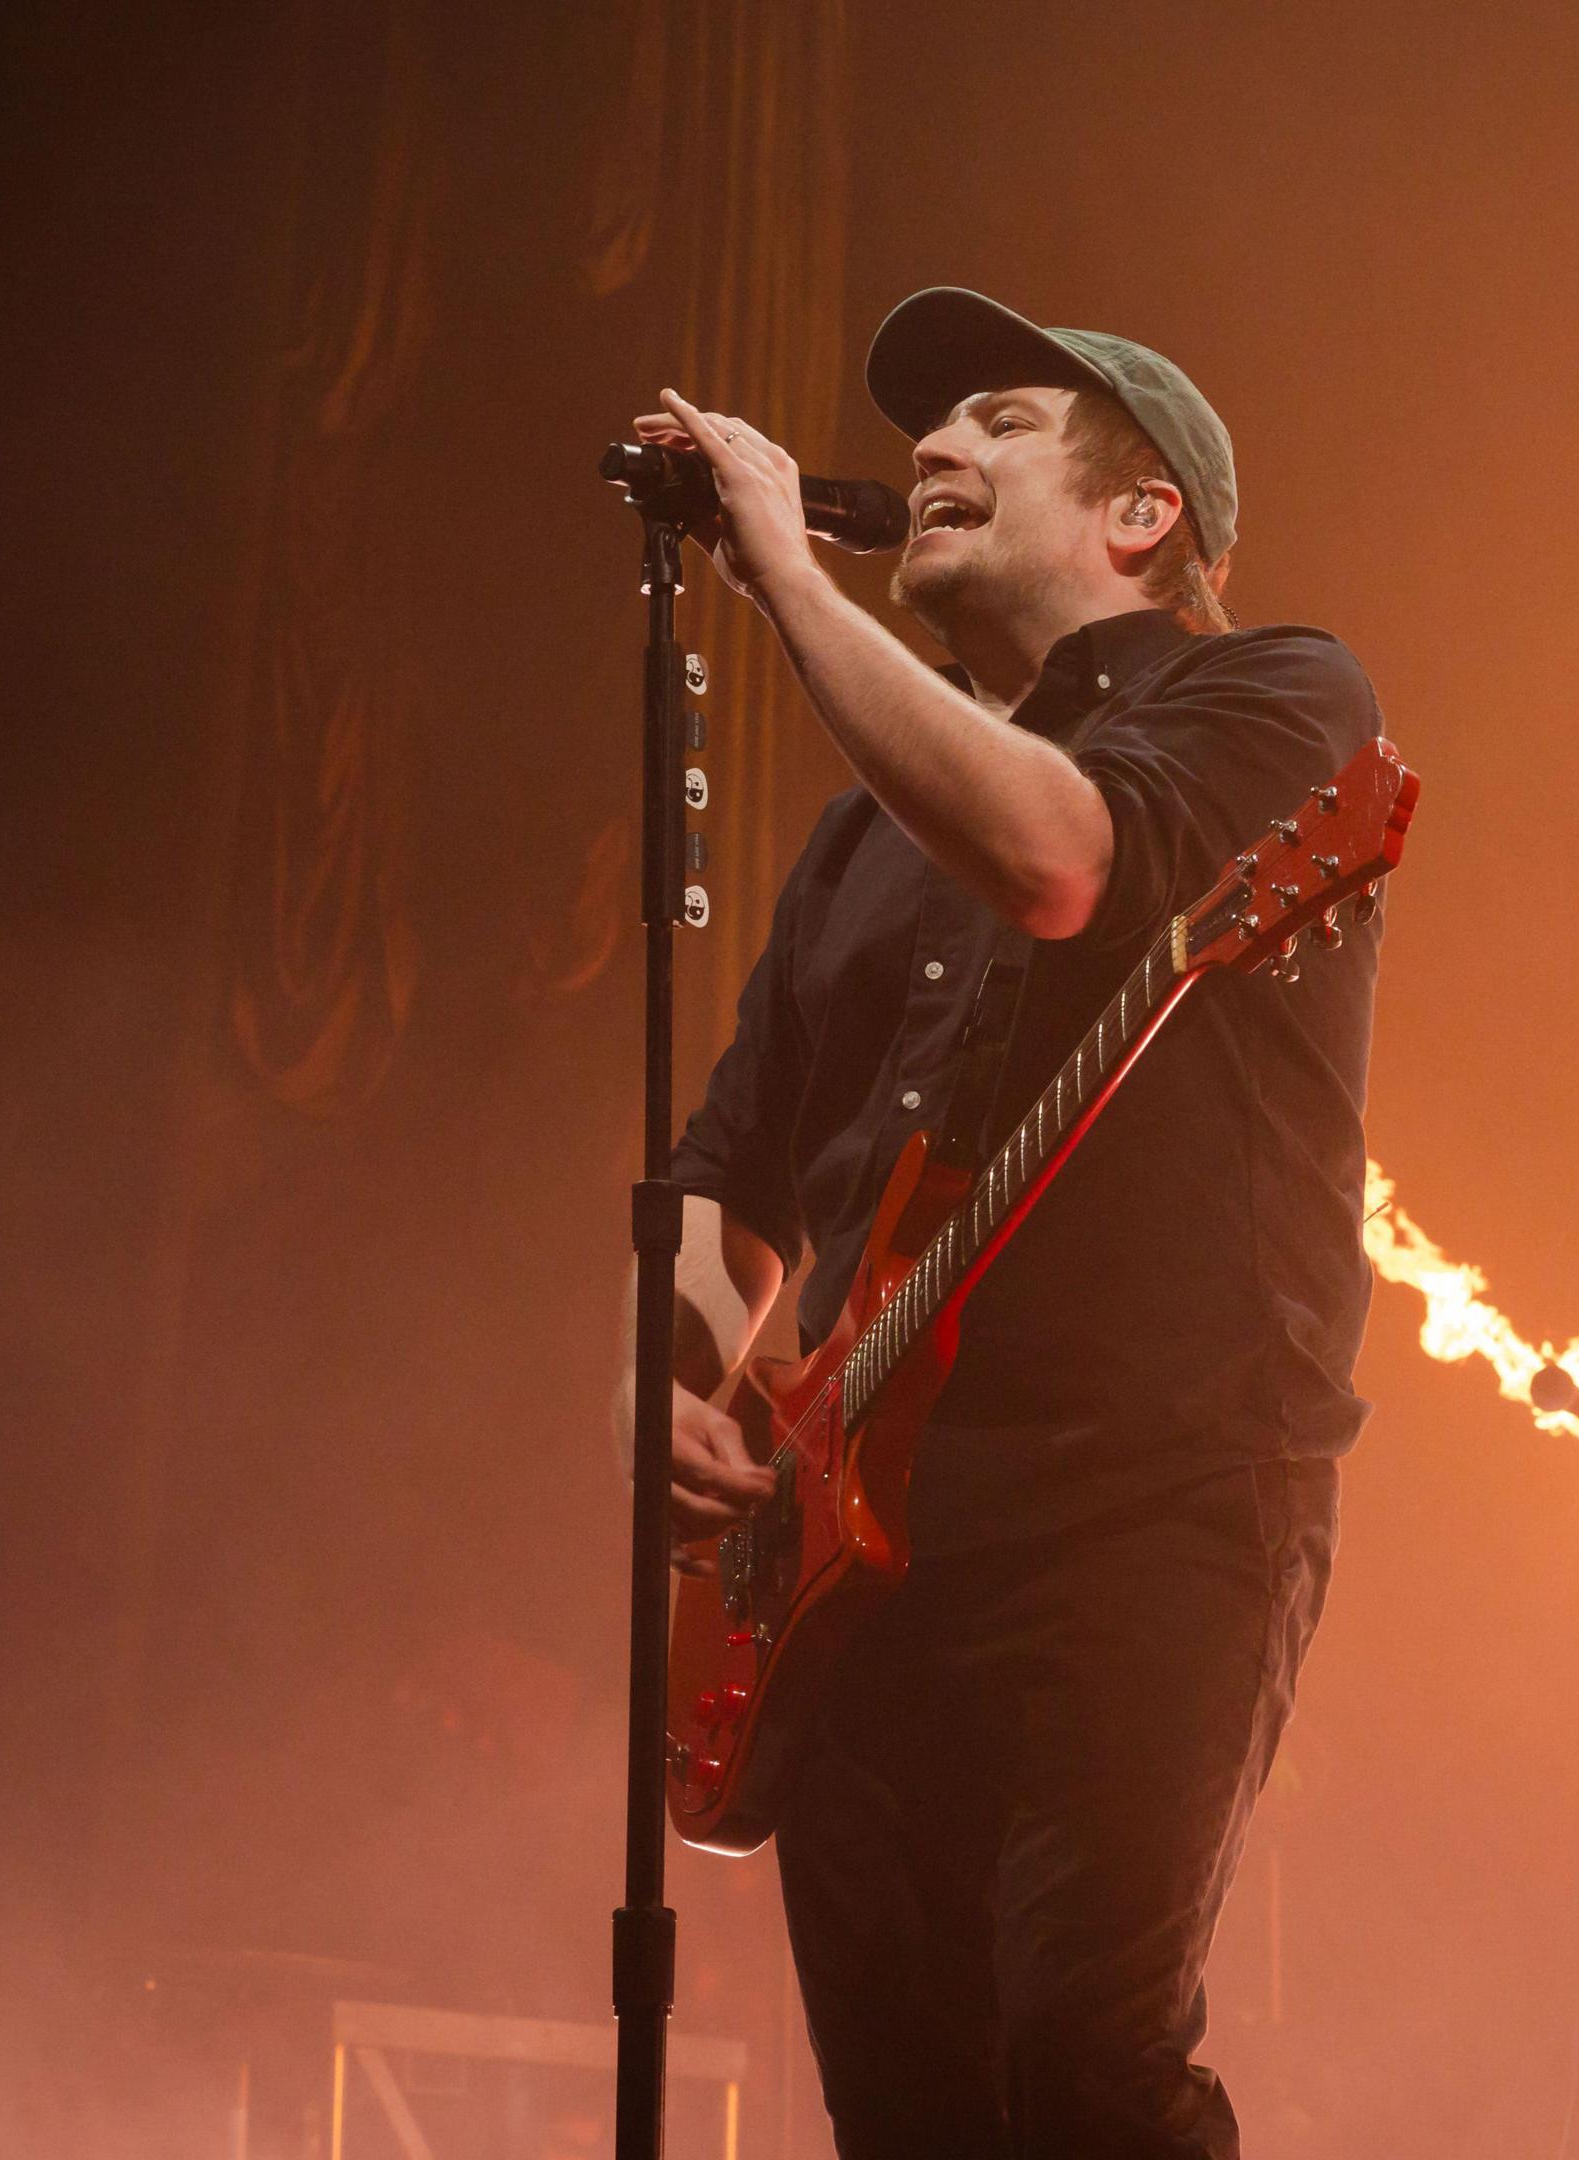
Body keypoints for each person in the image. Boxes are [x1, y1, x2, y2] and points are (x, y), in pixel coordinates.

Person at [615, 288, 1385, 2158]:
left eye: (1003, 422)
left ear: (1143, 521)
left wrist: (784, 574)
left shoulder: (1280, 695)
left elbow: (1064, 860)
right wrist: (674, 1389)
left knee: (1083, 2052)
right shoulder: (863, 843)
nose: (936, 449)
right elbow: (726, 1178)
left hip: (1153, 1495)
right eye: (931, 425)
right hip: (856, 1553)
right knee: (914, 2104)